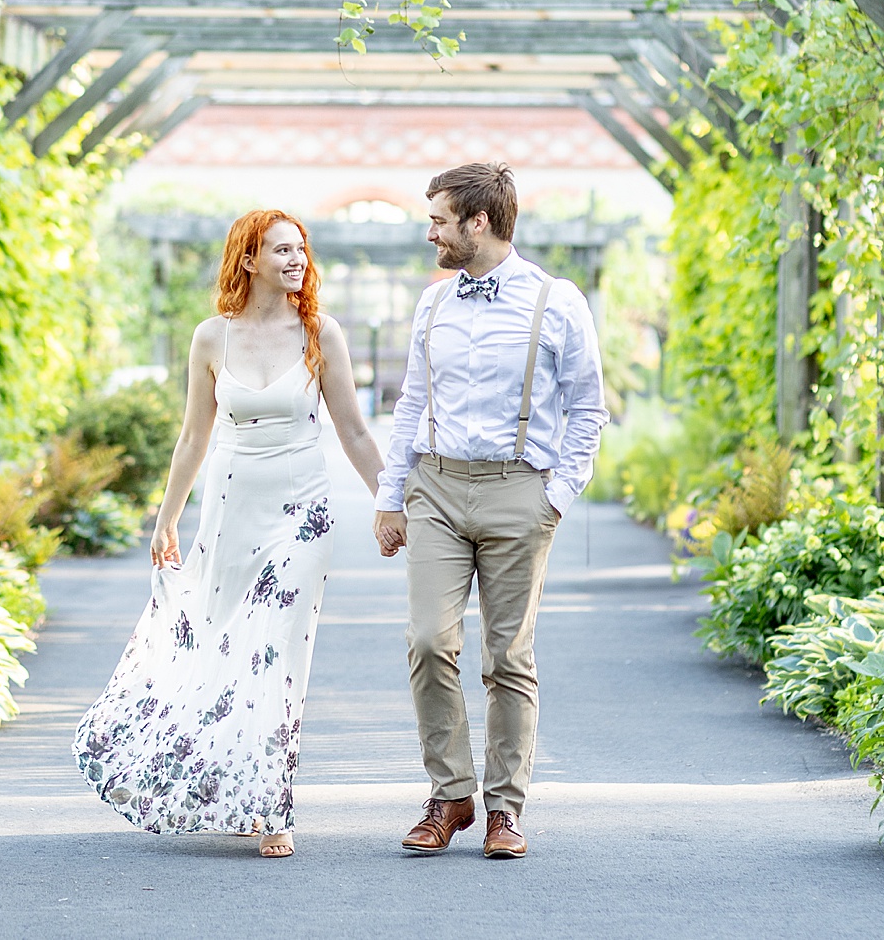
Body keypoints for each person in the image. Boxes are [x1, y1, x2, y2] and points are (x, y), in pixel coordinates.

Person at [73, 209, 385, 859]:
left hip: (303, 511)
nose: (296, 259)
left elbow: (354, 430)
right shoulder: (211, 338)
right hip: (229, 509)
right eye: (280, 249)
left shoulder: (321, 333)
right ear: (248, 259)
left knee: (278, 650)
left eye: (300, 248)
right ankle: (238, 788)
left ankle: (273, 807)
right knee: (224, 646)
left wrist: (394, 499)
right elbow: (194, 436)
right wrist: (166, 516)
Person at [372, 162, 608, 860]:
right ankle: (450, 795)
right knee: (426, 641)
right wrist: (392, 496)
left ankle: (506, 807)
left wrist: (555, 498)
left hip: (519, 490)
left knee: (508, 656)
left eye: (440, 220)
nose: (430, 232)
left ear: (479, 223)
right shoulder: (433, 302)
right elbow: (412, 401)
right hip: (438, 487)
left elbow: (588, 407)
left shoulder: (557, 301)